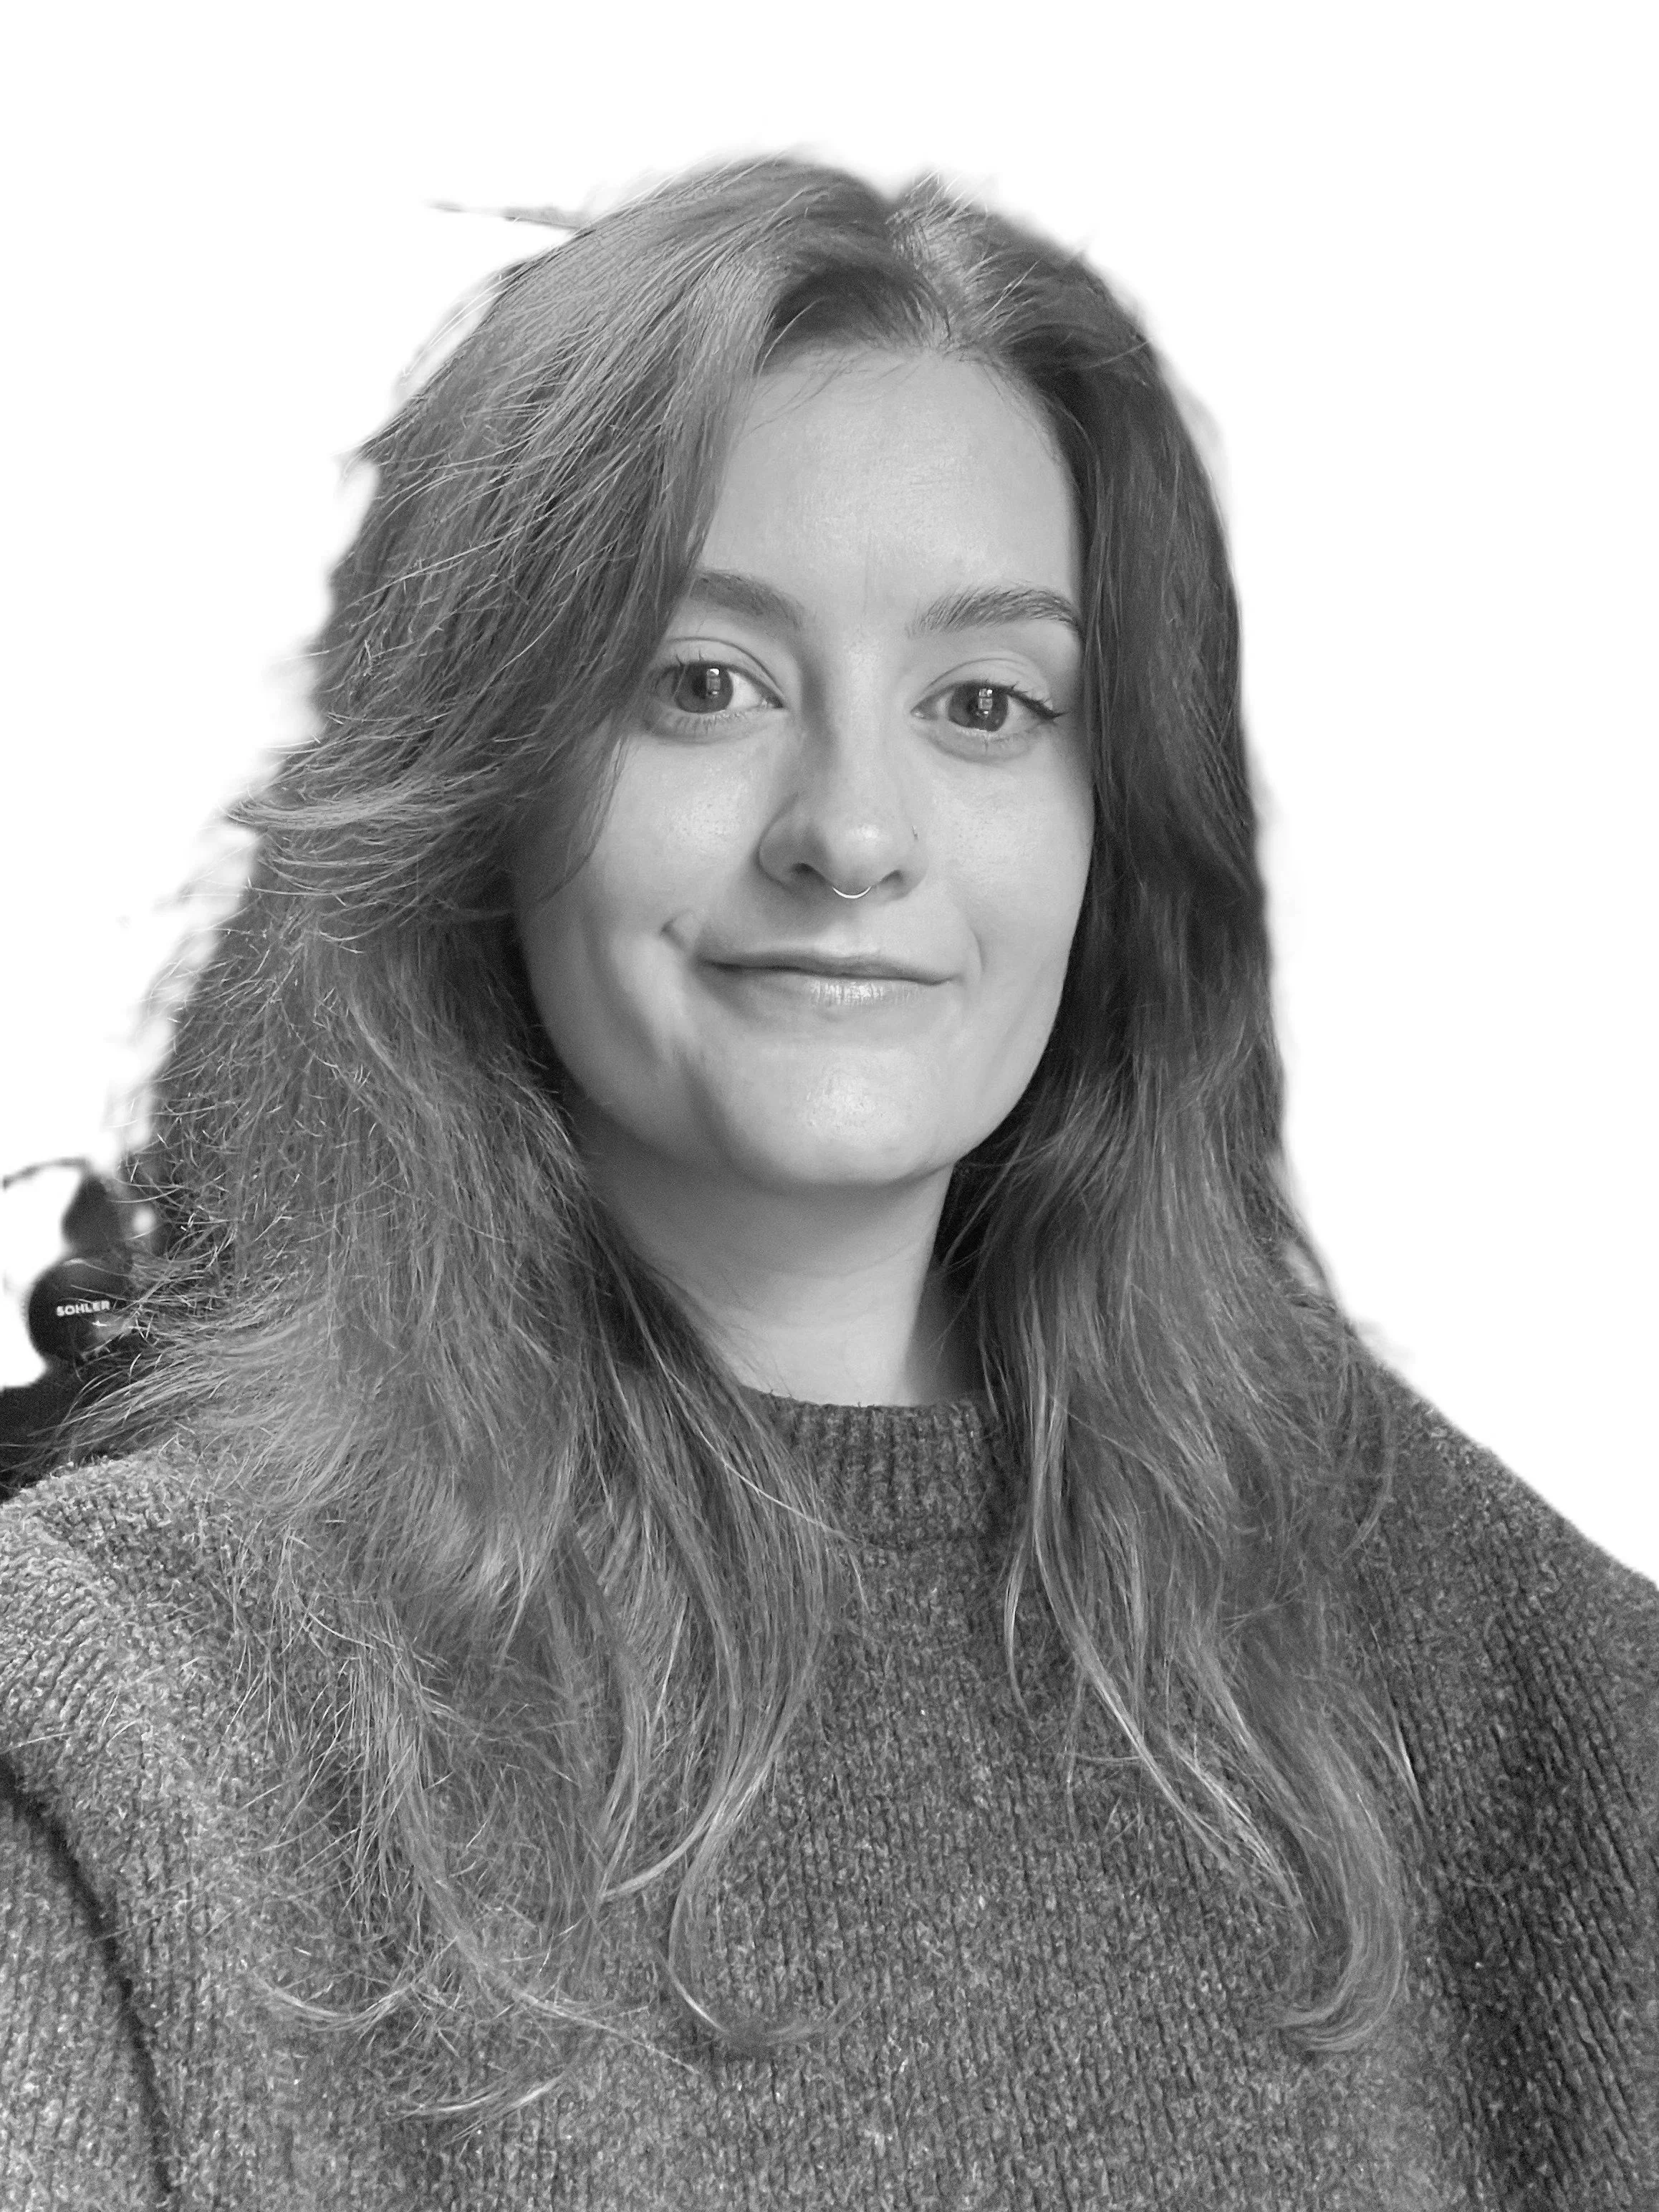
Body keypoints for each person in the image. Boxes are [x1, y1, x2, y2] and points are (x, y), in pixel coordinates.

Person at [1, 157, 1653, 2211]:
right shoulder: (129, 1713)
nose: (853, 834)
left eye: (985, 705)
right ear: (485, 783)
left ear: (1113, 825)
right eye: (703, 684)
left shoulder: (1468, 1656)